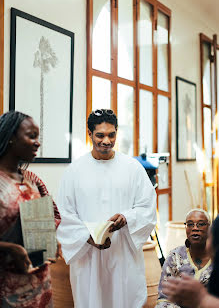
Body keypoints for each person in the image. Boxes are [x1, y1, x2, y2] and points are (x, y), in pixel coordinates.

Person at [56, 108, 157, 308]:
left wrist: (127, 217)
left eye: (111, 135)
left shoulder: (132, 168)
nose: (106, 141)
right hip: (87, 257)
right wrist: (88, 236)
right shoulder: (74, 171)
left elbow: (147, 206)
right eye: (100, 135)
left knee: (124, 299)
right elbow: (64, 214)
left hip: (123, 253)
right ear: (90, 134)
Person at [0, 110, 61, 307]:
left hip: (40, 289)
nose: (38, 142)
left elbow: (53, 215)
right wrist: (10, 249)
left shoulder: (32, 181)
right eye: (31, 136)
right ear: (10, 137)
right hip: (7, 292)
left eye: (38, 136)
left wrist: (50, 240)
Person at [155, 208, 212, 308]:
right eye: (190, 224)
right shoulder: (174, 257)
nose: (195, 228)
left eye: (201, 224)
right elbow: (164, 298)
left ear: (209, 228)